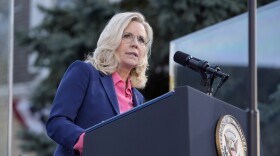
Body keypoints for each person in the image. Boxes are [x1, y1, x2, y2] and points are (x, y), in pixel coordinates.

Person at [46, 12, 153, 156]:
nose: (135, 44)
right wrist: (91, 142)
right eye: (127, 36)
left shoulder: (138, 99)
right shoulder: (84, 72)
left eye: (141, 40)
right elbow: (57, 122)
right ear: (112, 39)